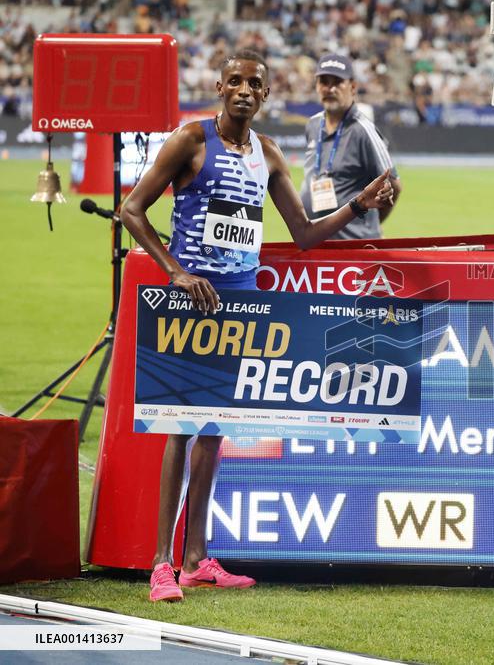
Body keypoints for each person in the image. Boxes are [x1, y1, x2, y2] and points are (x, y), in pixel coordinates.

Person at [120, 49, 395, 603]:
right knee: (179, 424)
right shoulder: (190, 141)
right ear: (220, 87)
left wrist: (357, 206)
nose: (245, 91)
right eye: (236, 82)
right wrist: (174, 271)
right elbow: (131, 209)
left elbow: (304, 233)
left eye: (256, 85)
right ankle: (161, 564)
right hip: (190, 303)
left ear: (266, 96)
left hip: (241, 307)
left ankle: (196, 560)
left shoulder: (268, 155)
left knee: (215, 429)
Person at [300, 53, 401, 240]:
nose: (330, 88)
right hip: (318, 241)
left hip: (354, 247)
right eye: (324, 82)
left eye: (337, 82)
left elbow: (394, 185)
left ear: (353, 87)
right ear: (316, 86)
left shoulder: (363, 130)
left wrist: (368, 229)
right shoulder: (313, 125)